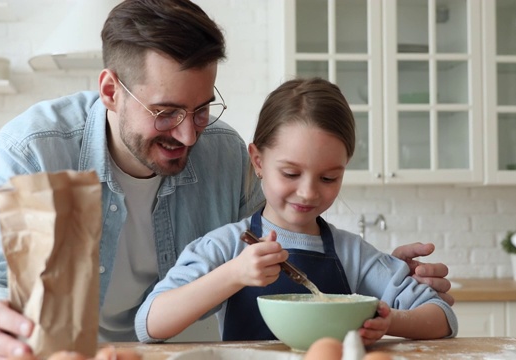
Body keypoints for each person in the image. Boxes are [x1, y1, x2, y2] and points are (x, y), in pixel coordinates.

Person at [0, 1, 453, 358]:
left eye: (202, 107)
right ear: (109, 90)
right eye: (166, 112)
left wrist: (374, 274)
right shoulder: (34, 148)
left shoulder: (225, 151)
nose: (189, 135)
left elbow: (277, 240)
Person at [134, 78, 457, 344]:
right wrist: (233, 274)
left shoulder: (352, 254)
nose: (308, 192)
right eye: (290, 173)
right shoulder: (227, 247)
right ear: (258, 161)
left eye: (329, 177)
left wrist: (389, 320)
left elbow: (442, 316)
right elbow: (150, 324)